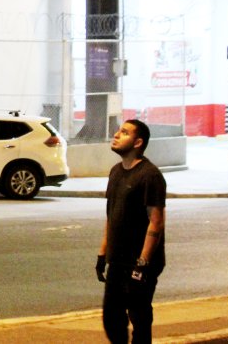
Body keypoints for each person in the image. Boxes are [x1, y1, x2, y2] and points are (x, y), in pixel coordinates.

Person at [98, 119, 167, 344]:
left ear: (138, 142)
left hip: (140, 262)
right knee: (112, 318)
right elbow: (112, 216)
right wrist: (102, 253)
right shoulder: (115, 172)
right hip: (117, 260)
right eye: (119, 131)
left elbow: (156, 222)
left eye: (124, 132)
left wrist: (142, 264)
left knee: (139, 316)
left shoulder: (150, 175)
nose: (117, 135)